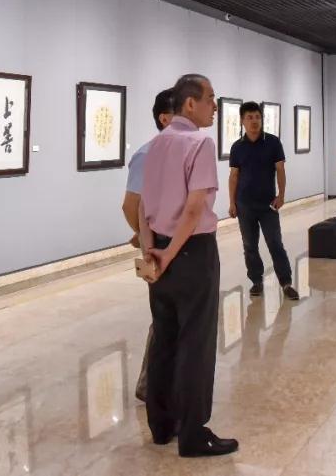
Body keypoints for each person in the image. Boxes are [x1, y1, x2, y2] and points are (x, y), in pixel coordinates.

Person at [137, 74, 237, 457]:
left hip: (159, 250)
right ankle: (194, 433)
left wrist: (152, 250)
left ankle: (161, 425)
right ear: (190, 104)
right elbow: (194, 208)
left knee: (164, 338)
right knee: (196, 341)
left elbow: (143, 206)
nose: (215, 106)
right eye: (211, 98)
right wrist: (172, 252)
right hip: (192, 251)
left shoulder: (155, 144)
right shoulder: (200, 142)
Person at [121, 88, 175, 403]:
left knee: (171, 316)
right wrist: (145, 238)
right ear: (164, 118)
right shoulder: (146, 156)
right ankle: (150, 383)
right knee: (165, 315)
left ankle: (159, 381)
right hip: (161, 248)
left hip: (180, 246)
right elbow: (131, 205)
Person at [228, 102, 298, 301]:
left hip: (268, 205)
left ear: (262, 119)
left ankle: (286, 282)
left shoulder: (273, 142)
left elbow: (280, 170)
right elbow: (234, 176)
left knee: (275, 243)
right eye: (249, 117)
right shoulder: (237, 147)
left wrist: (281, 195)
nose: (254, 121)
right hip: (244, 204)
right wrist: (232, 202)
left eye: (257, 117)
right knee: (249, 245)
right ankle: (256, 281)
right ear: (242, 121)